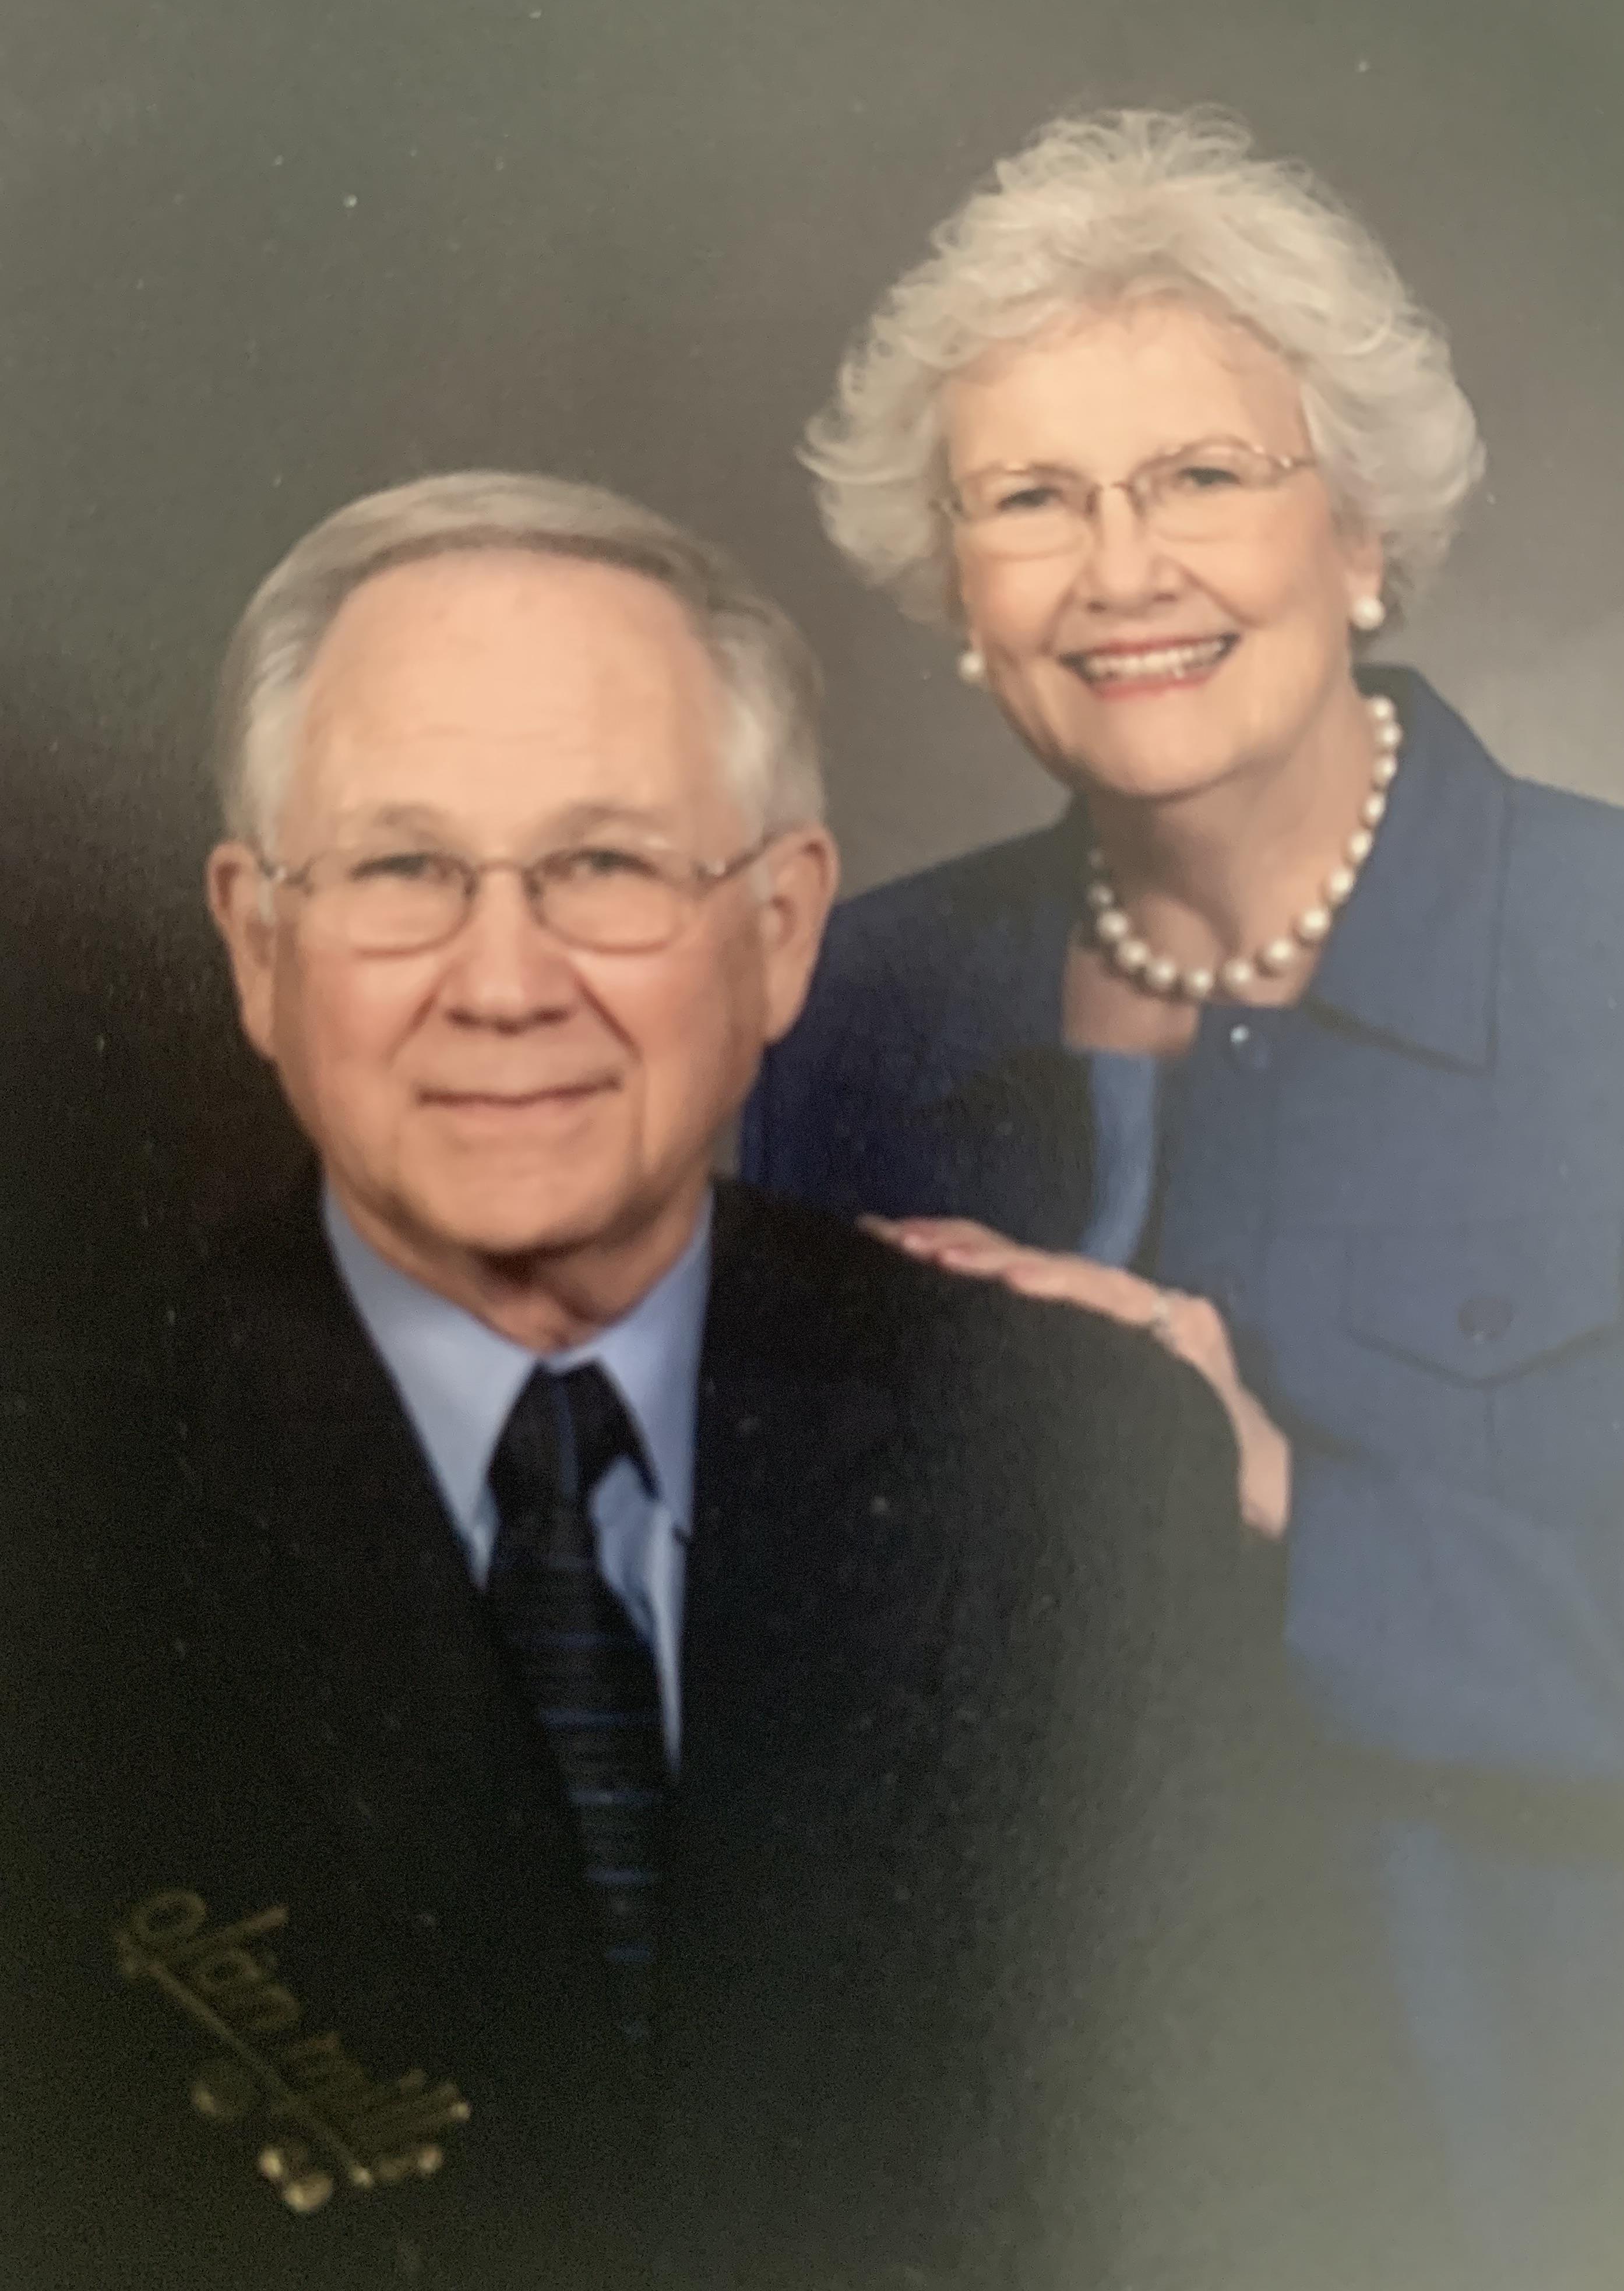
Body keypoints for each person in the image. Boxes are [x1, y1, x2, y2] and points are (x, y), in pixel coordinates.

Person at [121, 466, 1387, 2291]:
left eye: (608, 866)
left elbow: (1279, 2209)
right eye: (403, 869)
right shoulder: (60, 1500)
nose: (503, 983)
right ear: (256, 944)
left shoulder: (1074, 1458)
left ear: (784, 927)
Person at [742, 109, 1624, 2286]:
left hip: (1523, 2196)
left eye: (1204, 476)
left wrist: (1276, 1482)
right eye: (1032, 501)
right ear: (959, 593)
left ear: (1365, 535)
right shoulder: (845, 1015)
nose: (1123, 571)